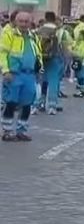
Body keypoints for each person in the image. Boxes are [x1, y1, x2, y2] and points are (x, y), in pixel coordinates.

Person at [0, 10, 42, 141]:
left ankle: (21, 130)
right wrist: (5, 71)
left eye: (26, 21)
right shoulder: (10, 35)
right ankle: (7, 131)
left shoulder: (33, 36)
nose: (23, 24)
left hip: (29, 75)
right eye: (21, 21)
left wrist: (40, 70)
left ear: (30, 23)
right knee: (11, 102)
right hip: (14, 74)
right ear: (16, 22)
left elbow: (38, 54)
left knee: (27, 103)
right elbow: (2, 53)